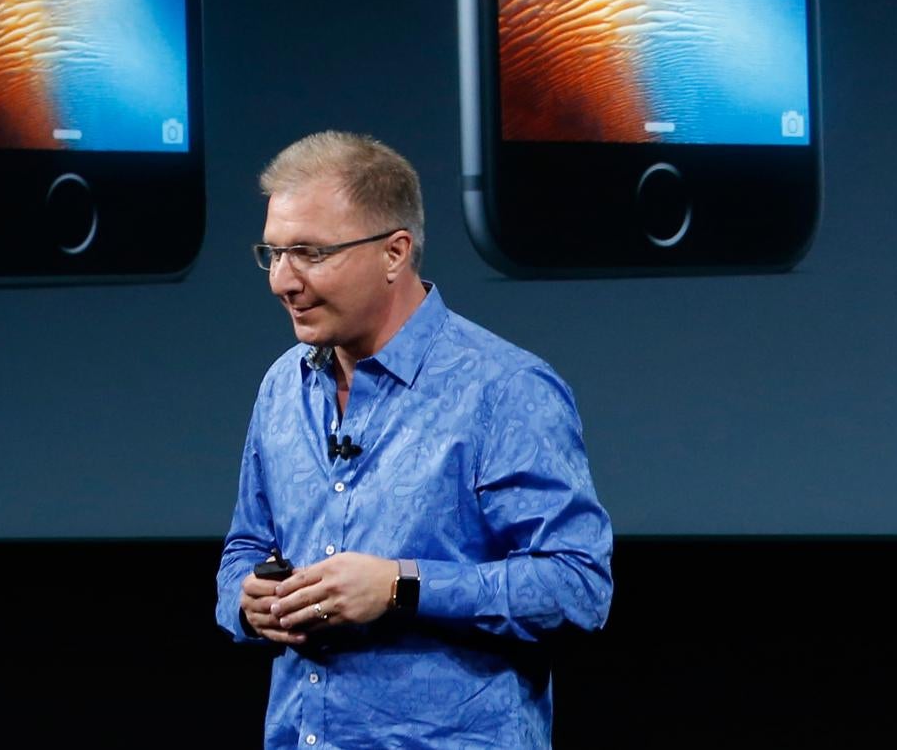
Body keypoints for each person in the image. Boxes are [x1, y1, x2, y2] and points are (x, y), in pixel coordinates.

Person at [217, 132, 613, 746]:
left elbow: (578, 586)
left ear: (395, 253)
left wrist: (401, 587)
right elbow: (245, 547)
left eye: (309, 253)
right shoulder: (281, 386)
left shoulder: (503, 389)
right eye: (272, 253)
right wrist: (248, 602)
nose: (282, 281)